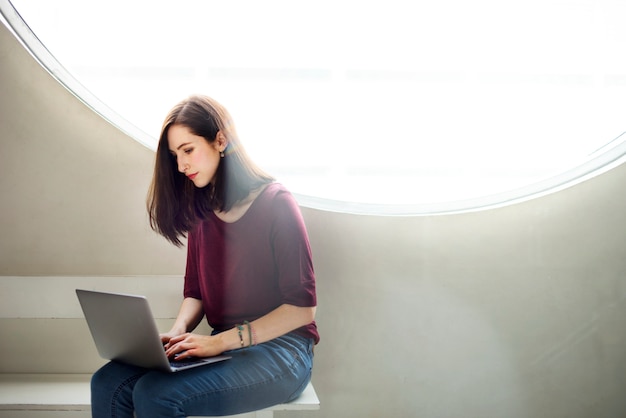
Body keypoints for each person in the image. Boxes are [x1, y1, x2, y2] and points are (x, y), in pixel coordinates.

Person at [91, 95, 319, 417]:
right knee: (107, 382)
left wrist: (220, 342)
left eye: (188, 150)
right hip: (223, 347)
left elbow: (302, 310)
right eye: (175, 156)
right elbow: (195, 293)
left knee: (157, 394)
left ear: (220, 141)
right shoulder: (202, 209)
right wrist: (178, 331)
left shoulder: (276, 203)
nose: (182, 165)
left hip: (283, 351)